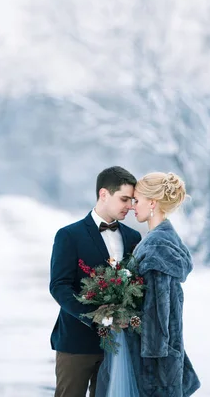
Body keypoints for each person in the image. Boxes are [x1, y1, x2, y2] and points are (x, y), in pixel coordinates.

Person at [49, 166, 142, 397]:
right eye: (124, 199)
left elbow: (138, 285)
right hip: (76, 343)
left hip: (119, 346)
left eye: (132, 200)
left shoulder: (133, 237)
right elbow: (59, 286)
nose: (130, 206)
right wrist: (95, 317)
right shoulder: (69, 235)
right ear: (103, 194)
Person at [125, 171, 201, 397]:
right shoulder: (158, 238)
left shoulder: (158, 244)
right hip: (160, 351)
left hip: (155, 357)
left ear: (152, 202)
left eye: (136, 201)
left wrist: (153, 369)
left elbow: (158, 312)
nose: (132, 206)